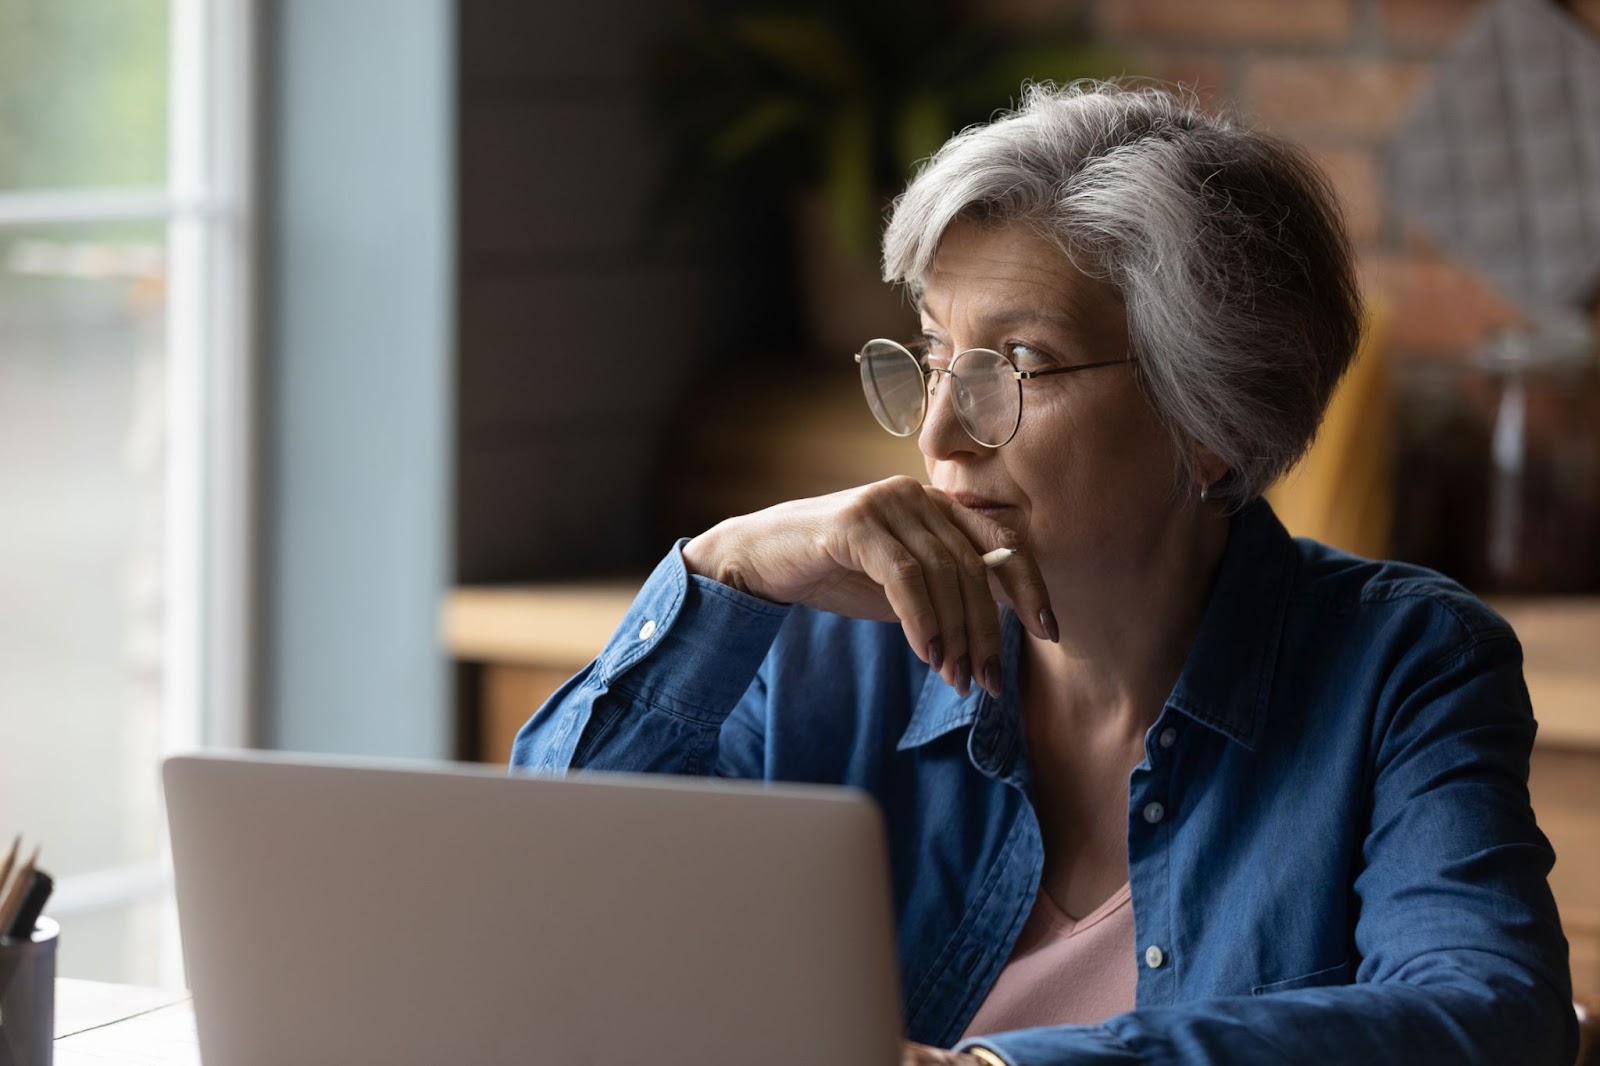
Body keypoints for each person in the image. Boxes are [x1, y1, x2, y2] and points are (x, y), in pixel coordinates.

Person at [510, 81, 1575, 1065]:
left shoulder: (1402, 663)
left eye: (1015, 366)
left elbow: (1486, 1014)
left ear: (1205, 419)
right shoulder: (832, 643)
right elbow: (536, 910)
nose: (938, 436)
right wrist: (724, 564)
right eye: (931, 357)